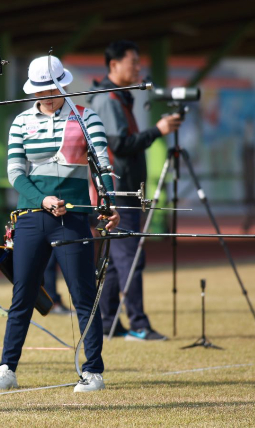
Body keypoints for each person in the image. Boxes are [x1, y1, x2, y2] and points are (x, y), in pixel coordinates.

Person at [0, 56, 119, 393]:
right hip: (31, 217)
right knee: (23, 295)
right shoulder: (20, 122)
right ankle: (6, 368)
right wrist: (41, 199)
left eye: (51, 88)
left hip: (73, 217)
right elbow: (16, 172)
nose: (46, 95)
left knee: (83, 295)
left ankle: (93, 372)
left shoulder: (86, 117)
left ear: (63, 85)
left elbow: (103, 164)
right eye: (40, 90)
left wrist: (110, 203)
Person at [89, 40, 182, 341]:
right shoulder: (108, 98)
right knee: (131, 258)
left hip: (123, 189)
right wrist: (158, 131)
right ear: (113, 65)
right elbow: (118, 144)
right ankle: (139, 324)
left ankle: (108, 323)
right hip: (119, 191)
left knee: (118, 261)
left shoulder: (119, 97)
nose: (139, 67)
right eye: (133, 62)